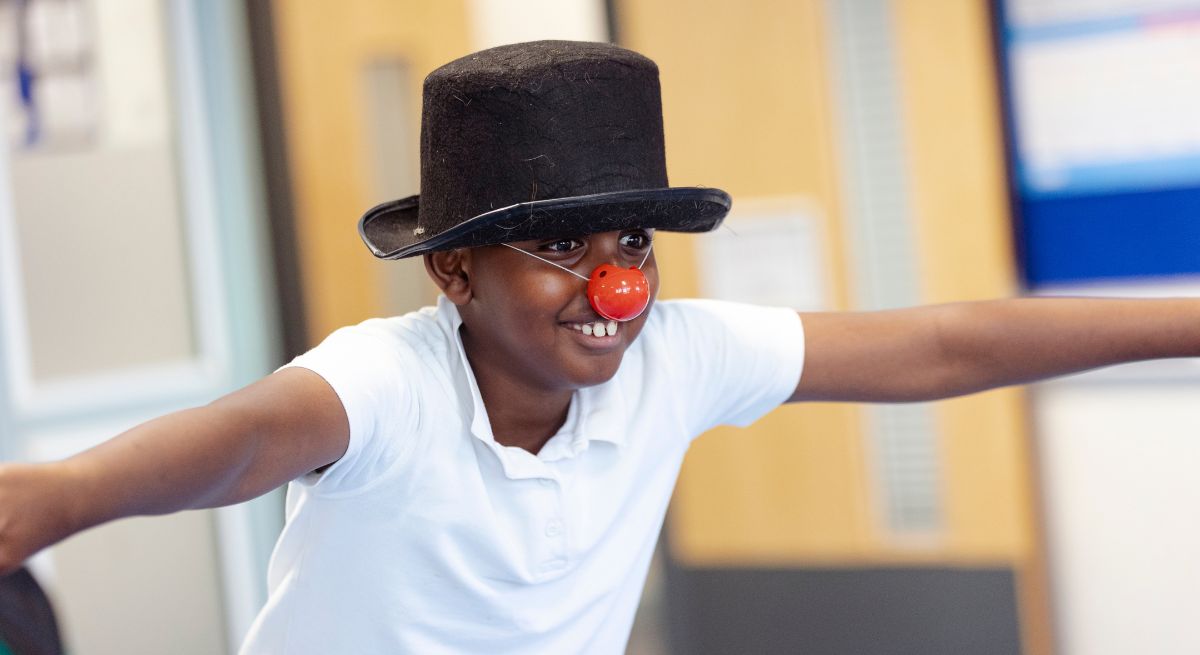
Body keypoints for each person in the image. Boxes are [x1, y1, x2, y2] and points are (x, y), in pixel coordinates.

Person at [0, 39, 1196, 654]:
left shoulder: (671, 352)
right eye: (557, 249)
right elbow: (239, 443)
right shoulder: (387, 381)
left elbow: (942, 342)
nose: (614, 284)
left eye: (629, 237)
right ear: (455, 269)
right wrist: (58, 496)